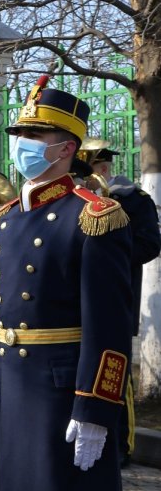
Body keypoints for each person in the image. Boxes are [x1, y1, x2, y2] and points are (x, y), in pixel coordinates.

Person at [0, 79, 133, 491]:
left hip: (64, 389)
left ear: (66, 147)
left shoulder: (95, 217)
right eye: (20, 134)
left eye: (36, 135)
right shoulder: (5, 218)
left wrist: (95, 408)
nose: (24, 144)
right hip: (19, 388)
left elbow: (109, 325)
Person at [78, 140, 161, 467]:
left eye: (97, 166)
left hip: (115, 295)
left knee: (116, 371)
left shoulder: (131, 199)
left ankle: (122, 442)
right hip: (75, 306)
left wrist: (111, 244)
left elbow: (149, 246)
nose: (96, 173)